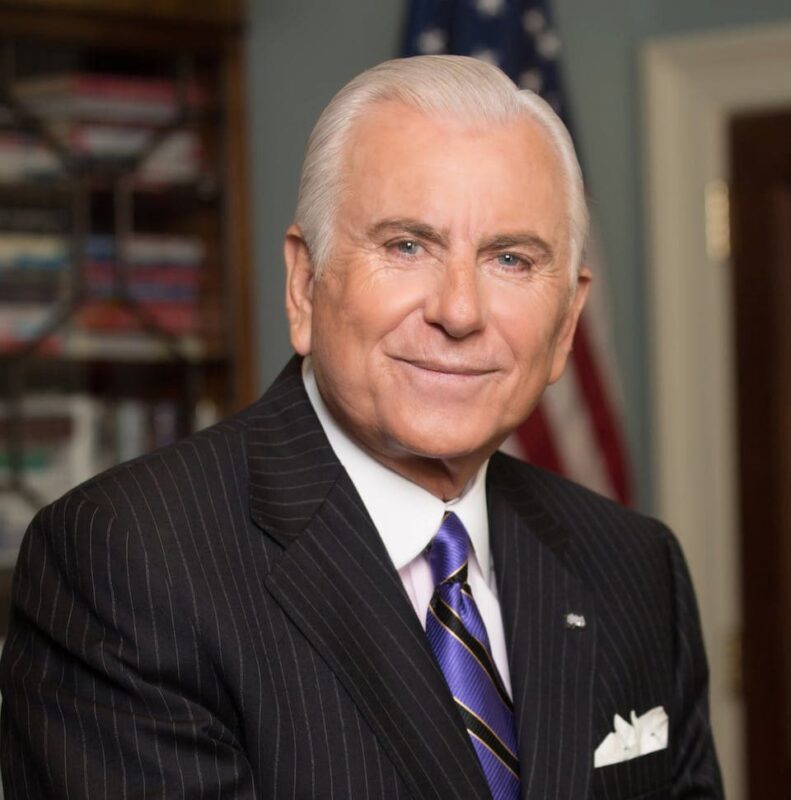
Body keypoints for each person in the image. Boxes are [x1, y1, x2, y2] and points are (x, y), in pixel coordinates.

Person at [0, 55, 722, 799]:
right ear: (303, 285)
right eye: (407, 245)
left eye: (509, 259)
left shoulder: (634, 567)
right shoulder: (127, 560)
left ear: (567, 322)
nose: (459, 311)